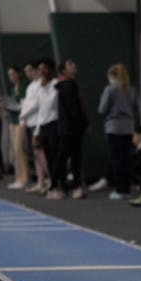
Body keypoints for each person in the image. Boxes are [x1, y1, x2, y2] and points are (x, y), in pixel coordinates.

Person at [49, 59, 89, 200]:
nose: (74, 66)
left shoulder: (67, 85)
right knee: (63, 158)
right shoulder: (67, 85)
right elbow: (74, 109)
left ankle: (75, 187)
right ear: (64, 71)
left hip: (71, 128)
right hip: (70, 129)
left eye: (74, 63)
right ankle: (53, 187)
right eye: (71, 65)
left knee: (74, 158)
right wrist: (83, 123)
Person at [98, 63, 139, 200]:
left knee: (116, 159)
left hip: (114, 126)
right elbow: (135, 108)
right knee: (126, 158)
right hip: (128, 127)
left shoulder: (110, 89)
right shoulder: (131, 90)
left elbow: (102, 109)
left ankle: (119, 189)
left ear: (112, 76)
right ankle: (126, 189)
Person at [28, 59, 59, 194]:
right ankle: (52, 184)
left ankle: (58, 184)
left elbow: (51, 104)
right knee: (47, 156)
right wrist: (37, 131)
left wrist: (44, 87)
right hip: (43, 125)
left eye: (43, 69)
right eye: (39, 70)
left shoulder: (55, 84)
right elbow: (40, 109)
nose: (41, 72)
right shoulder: (41, 86)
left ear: (49, 70)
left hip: (54, 124)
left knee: (55, 155)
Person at [19, 61, 49, 193]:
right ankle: (40, 182)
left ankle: (53, 181)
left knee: (41, 153)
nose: (28, 74)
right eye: (26, 72)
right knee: (36, 155)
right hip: (30, 124)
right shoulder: (30, 86)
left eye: (30, 70)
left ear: (37, 71)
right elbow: (26, 103)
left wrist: (23, 114)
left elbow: (36, 104)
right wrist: (23, 118)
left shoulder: (42, 85)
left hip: (39, 124)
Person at [2, 64, 29, 190]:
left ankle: (23, 178)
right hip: (12, 121)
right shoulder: (14, 88)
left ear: (18, 74)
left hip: (20, 122)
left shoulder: (24, 86)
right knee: (15, 151)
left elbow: (23, 105)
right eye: (9, 75)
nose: (11, 77)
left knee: (19, 149)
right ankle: (18, 177)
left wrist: (12, 106)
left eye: (12, 74)